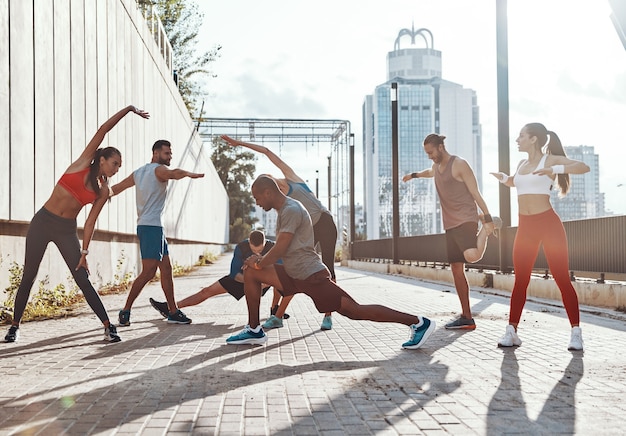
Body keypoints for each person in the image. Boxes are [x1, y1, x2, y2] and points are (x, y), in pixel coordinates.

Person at [225, 175, 436, 349]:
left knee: (354, 310)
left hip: (310, 275)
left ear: (268, 193)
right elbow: (283, 250)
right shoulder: (284, 210)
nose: (257, 203)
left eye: (257, 197)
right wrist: (257, 265)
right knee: (251, 273)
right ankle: (254, 329)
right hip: (292, 273)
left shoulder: (291, 209)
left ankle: (418, 322)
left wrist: (260, 261)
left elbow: (280, 247)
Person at [4, 105, 149, 343]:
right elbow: (104, 129)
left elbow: (90, 222)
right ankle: (15, 326)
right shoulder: (83, 162)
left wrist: (84, 252)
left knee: (82, 278)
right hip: (42, 221)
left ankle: (108, 325)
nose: (116, 169)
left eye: (119, 167)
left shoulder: (103, 191)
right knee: (29, 275)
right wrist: (129, 110)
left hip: (65, 229)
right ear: (101, 160)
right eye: (114, 163)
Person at [220, 134, 335, 331]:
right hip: (306, 227)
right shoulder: (278, 204)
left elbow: (266, 151)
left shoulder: (294, 180)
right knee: (293, 267)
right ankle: (278, 314)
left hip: (324, 222)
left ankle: (328, 315)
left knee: (328, 267)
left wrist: (239, 143)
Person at [491, 123, 589, 351]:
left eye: (521, 136)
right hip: (525, 228)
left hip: (548, 224)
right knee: (521, 280)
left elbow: (583, 167)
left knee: (562, 279)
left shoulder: (550, 160)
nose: (517, 139)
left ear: (533, 139)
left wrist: (556, 171)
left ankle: (576, 333)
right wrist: (504, 177)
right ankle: (512, 331)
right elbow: (514, 182)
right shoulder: (522, 163)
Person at [402, 133, 498, 331]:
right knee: (456, 270)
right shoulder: (437, 167)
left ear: (440, 147)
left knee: (471, 255)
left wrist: (487, 216)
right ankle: (467, 316)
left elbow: (475, 192)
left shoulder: (459, 164)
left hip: (466, 218)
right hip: (450, 224)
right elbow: (430, 172)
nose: (429, 156)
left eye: (431, 152)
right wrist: (414, 176)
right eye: (426, 153)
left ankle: (486, 230)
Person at [111, 139, 204, 326]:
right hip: (151, 227)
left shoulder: (139, 172)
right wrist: (188, 173)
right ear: (156, 154)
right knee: (148, 273)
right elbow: (173, 174)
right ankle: (125, 311)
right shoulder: (158, 169)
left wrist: (99, 193)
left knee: (166, 269)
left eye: (170, 153)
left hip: (153, 227)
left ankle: (173, 311)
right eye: (166, 153)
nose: (170, 156)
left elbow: (115, 189)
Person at [147, 230, 286, 320]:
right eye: (253, 250)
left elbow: (280, 271)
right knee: (206, 291)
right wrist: (250, 282)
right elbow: (234, 273)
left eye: (260, 250)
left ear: (265, 242)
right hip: (243, 279)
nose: (257, 253)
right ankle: (172, 308)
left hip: (264, 279)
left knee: (282, 284)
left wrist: (263, 282)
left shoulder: (273, 247)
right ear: (248, 242)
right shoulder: (241, 247)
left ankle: (275, 309)